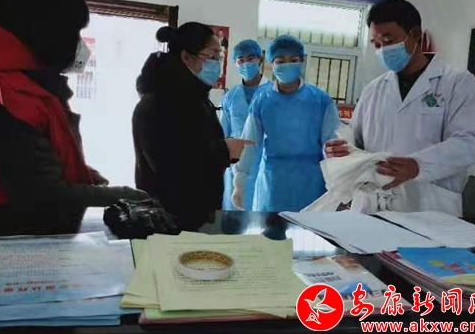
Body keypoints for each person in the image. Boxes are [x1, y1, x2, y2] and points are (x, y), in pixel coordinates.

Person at [0, 0, 148, 235]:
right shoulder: (1, 101)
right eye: (75, 33)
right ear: (49, 33)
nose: (79, 45)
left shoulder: (26, 90)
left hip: (32, 238)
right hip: (7, 244)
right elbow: (45, 196)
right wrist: (125, 195)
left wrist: (83, 175)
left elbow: (41, 162)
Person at [326, 0, 475, 216]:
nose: (383, 50)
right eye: (377, 45)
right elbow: (355, 135)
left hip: (429, 205)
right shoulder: (374, 89)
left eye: (389, 40)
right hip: (374, 203)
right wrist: (342, 147)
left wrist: (418, 166)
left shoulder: (457, 82)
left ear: (416, 34)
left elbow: (468, 142)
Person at [133, 23, 253, 230]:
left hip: (196, 216)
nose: (217, 64)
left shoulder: (194, 97)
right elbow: (172, 167)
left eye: (220, 56)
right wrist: (224, 150)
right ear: (186, 57)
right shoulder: (160, 102)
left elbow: (194, 145)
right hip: (169, 221)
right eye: (212, 56)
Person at [232, 35, 342, 212]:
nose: (287, 65)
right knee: (271, 228)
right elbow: (249, 143)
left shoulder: (321, 100)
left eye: (293, 60)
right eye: (280, 61)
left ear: (302, 61)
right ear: (272, 64)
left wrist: (341, 184)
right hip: (273, 184)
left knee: (308, 228)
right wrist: (239, 182)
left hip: (312, 183)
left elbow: (333, 145)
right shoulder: (262, 101)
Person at [220, 39, 271, 210]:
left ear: (260, 60)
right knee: (233, 214)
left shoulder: (273, 92)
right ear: (235, 63)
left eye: (250, 58)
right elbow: (222, 133)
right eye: (240, 60)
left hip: (265, 161)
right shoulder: (230, 96)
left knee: (262, 213)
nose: (246, 64)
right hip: (235, 163)